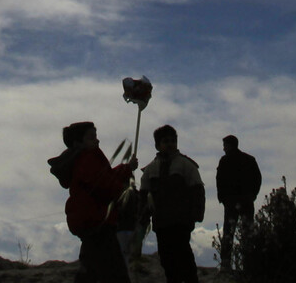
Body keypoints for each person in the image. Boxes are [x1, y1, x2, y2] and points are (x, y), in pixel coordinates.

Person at [48, 121, 138, 283]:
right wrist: (124, 191)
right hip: (97, 220)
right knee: (113, 269)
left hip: (91, 220)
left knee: (93, 264)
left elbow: (105, 177)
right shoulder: (87, 159)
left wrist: (126, 169)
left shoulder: (84, 160)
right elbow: (103, 183)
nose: (97, 141)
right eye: (91, 138)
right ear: (78, 143)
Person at [140, 125, 204, 283]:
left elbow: (197, 190)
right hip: (161, 222)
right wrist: (142, 218)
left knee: (184, 257)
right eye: (165, 141)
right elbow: (144, 196)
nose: (170, 144)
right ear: (157, 145)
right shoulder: (150, 170)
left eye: (173, 141)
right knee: (166, 260)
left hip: (181, 220)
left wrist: (196, 214)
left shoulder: (186, 165)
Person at [215, 134, 262, 271]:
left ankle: (226, 263)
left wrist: (223, 198)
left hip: (234, 201)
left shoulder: (225, 161)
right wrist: (252, 195)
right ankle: (247, 263)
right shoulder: (249, 159)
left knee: (229, 232)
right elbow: (257, 179)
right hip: (244, 201)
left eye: (225, 145)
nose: (223, 148)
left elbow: (220, 180)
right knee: (247, 232)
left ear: (230, 145)